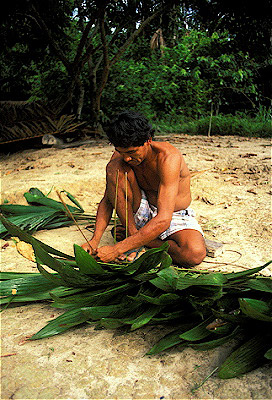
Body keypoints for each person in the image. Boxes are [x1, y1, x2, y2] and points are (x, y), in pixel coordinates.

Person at [81, 110, 206, 266]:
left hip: (170, 213)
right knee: (114, 167)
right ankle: (134, 235)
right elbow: (108, 200)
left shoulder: (168, 157)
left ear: (148, 141)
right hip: (139, 209)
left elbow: (164, 219)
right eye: (121, 152)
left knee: (193, 254)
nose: (127, 158)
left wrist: (118, 249)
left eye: (132, 152)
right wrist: (94, 240)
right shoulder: (120, 157)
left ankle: (140, 240)